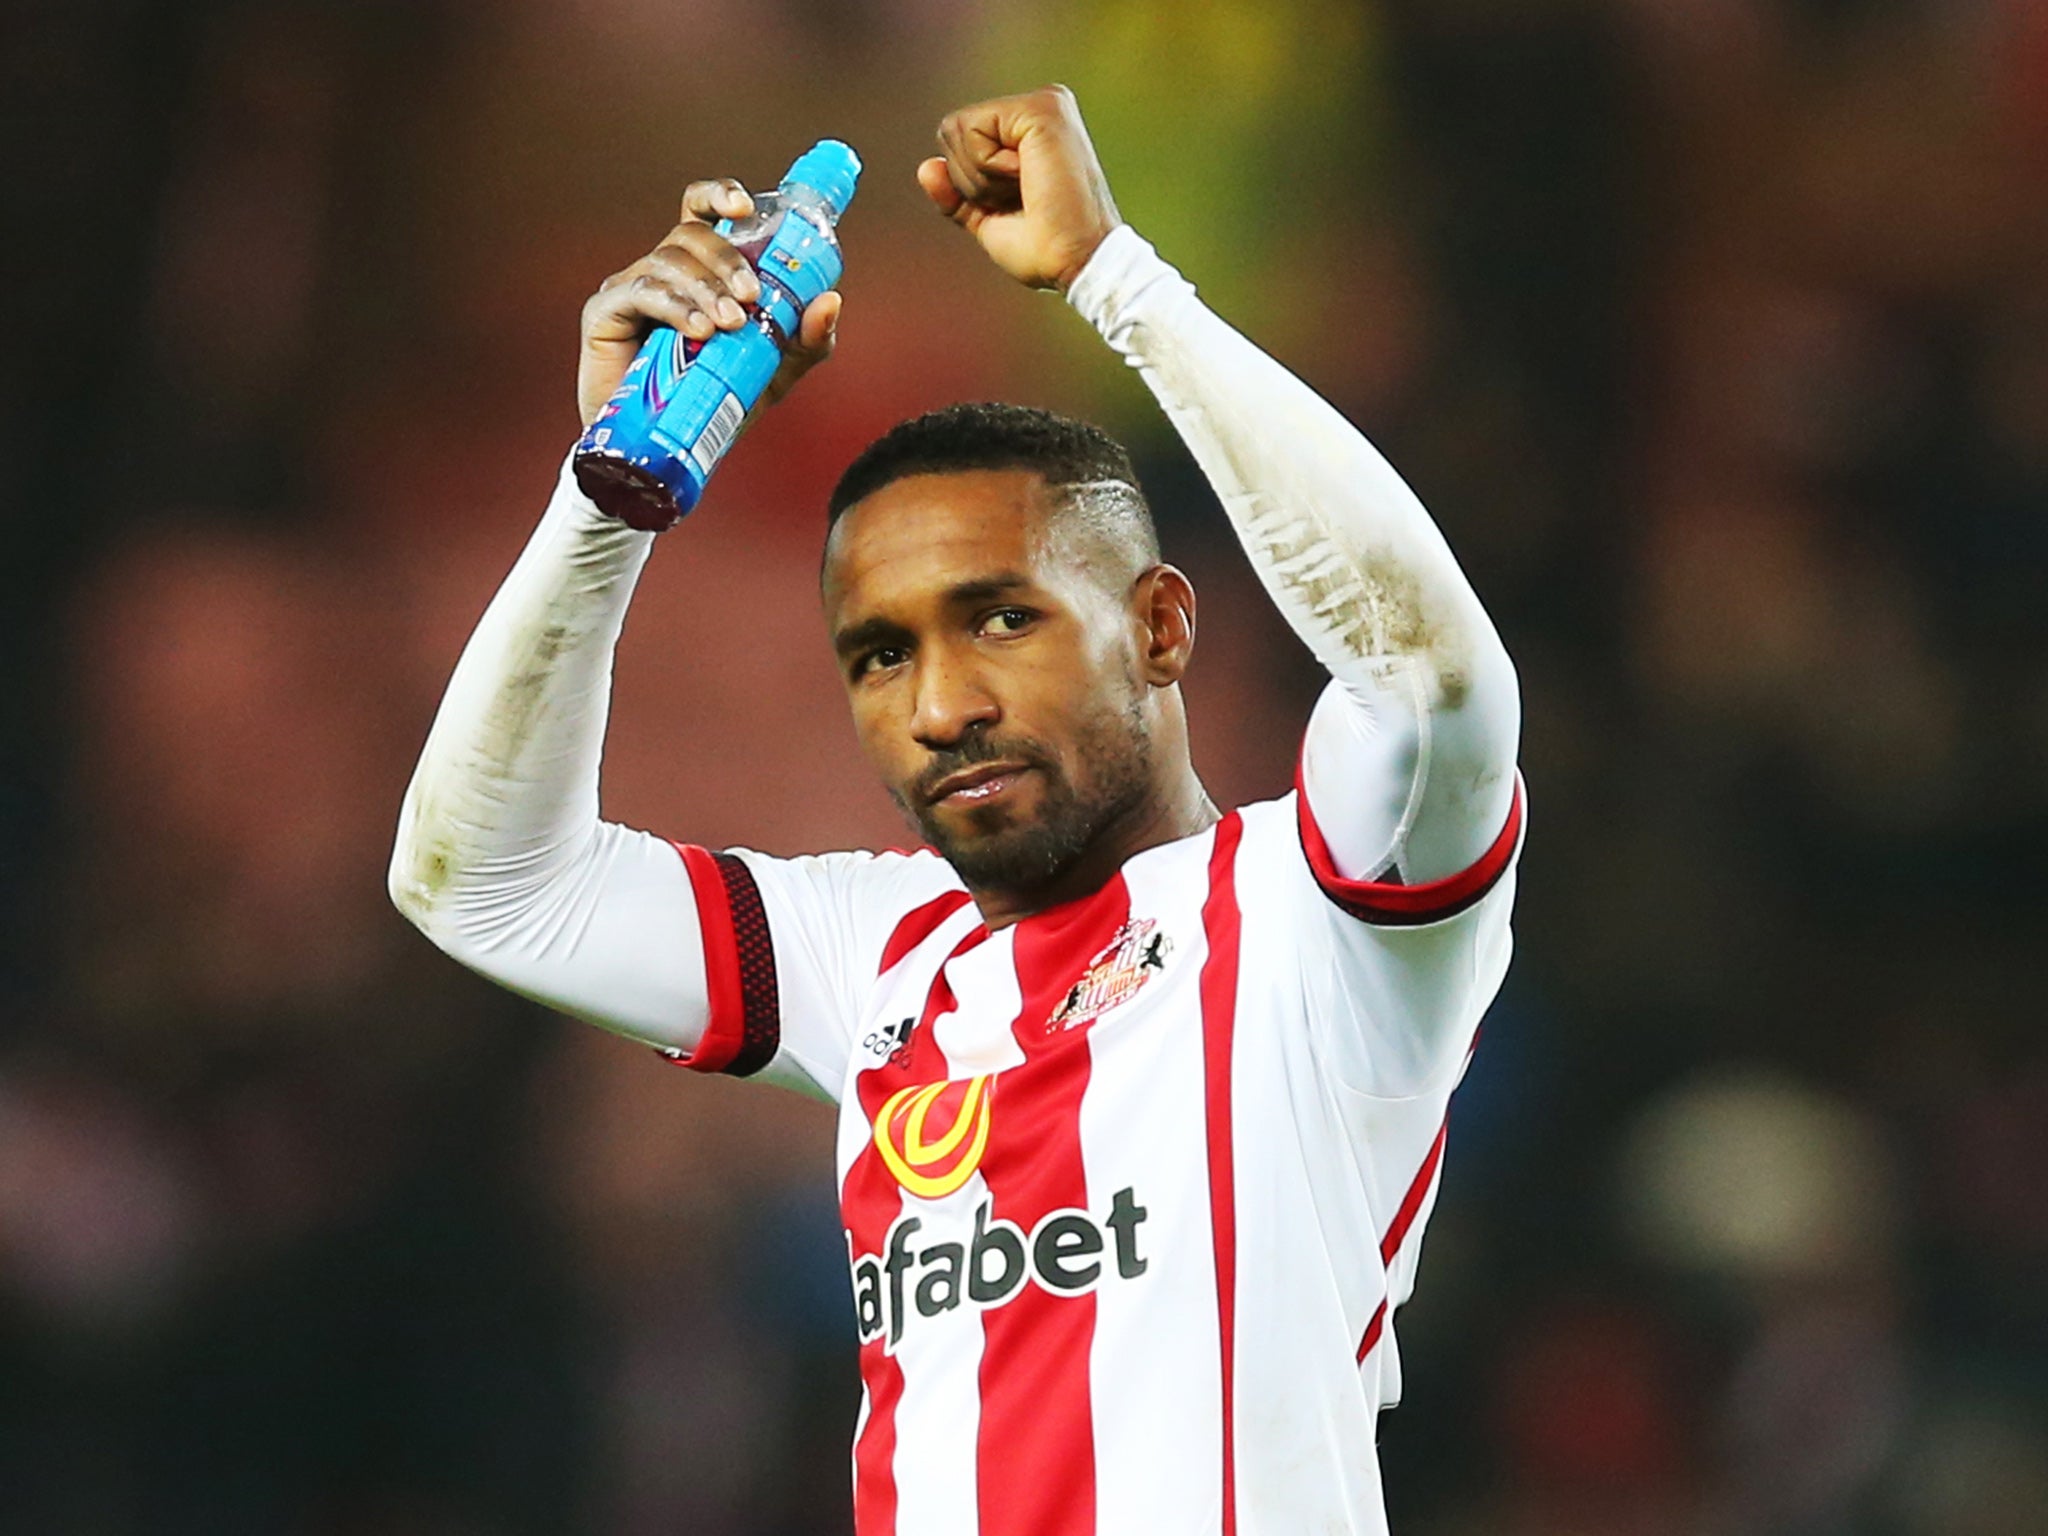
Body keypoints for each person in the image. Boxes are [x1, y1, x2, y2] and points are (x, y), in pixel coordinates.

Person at [391, 85, 1523, 1536]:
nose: (937, 709)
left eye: (1000, 622)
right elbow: (481, 881)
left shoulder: (1322, 924)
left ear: (1162, 629)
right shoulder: (877, 959)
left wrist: (1120, 283)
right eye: (880, 655)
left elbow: (1428, 678)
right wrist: (613, 489)